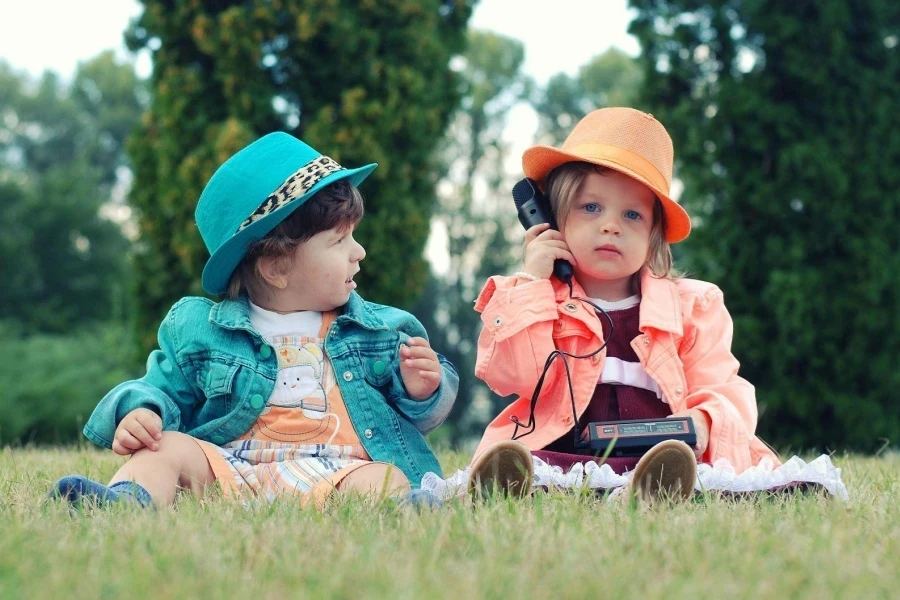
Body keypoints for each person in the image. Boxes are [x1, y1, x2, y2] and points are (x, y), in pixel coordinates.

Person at [49, 133, 457, 510]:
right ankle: (126, 502)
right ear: (277, 267)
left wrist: (422, 390)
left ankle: (407, 510)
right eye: (339, 241)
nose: (359, 252)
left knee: (383, 477)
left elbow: (421, 415)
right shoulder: (201, 330)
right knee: (165, 448)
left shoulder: (376, 330)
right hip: (230, 468)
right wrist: (143, 413)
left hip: (338, 472)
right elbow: (161, 387)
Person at [466, 107, 780, 502]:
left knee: (692, 472)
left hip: (660, 455)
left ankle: (649, 491)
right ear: (550, 219)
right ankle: (515, 486)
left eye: (632, 214)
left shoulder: (692, 307)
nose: (611, 225)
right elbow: (511, 375)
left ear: (653, 235)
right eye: (591, 207)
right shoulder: (535, 298)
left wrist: (701, 421)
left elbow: (723, 386)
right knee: (537, 468)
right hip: (566, 452)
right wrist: (532, 284)